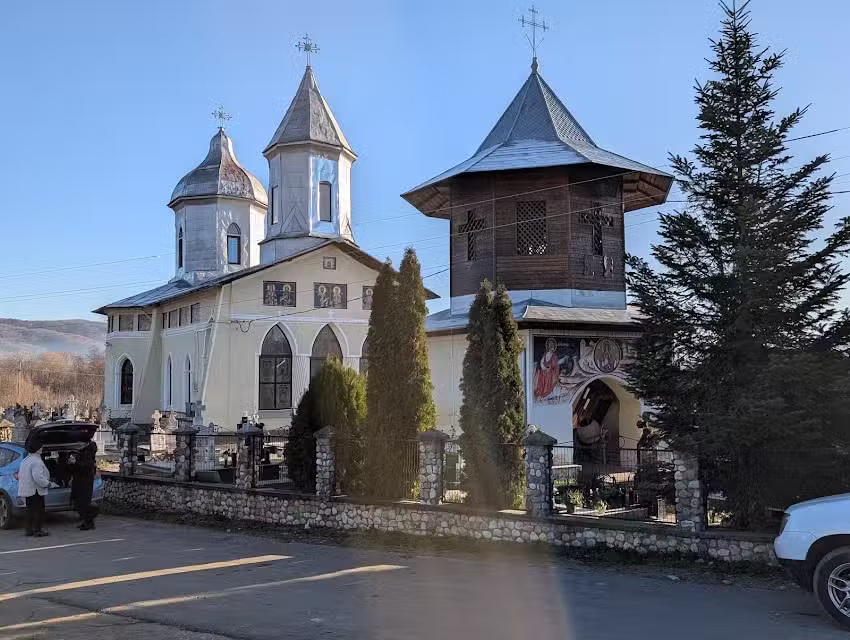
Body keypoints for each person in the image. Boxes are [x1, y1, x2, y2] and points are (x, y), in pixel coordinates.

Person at [17, 438, 51, 537]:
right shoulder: (36, 461)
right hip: (36, 490)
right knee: (39, 510)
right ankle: (37, 530)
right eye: (41, 447)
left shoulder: (25, 460)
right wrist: (47, 484)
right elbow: (38, 477)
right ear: (36, 449)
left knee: (29, 510)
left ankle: (29, 530)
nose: (42, 449)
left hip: (28, 490)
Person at [71, 441, 98, 530]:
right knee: (79, 503)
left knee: (83, 503)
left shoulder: (88, 454)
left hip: (85, 482)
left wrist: (75, 462)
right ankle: (87, 521)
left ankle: (89, 522)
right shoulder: (82, 452)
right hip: (80, 481)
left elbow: (85, 466)